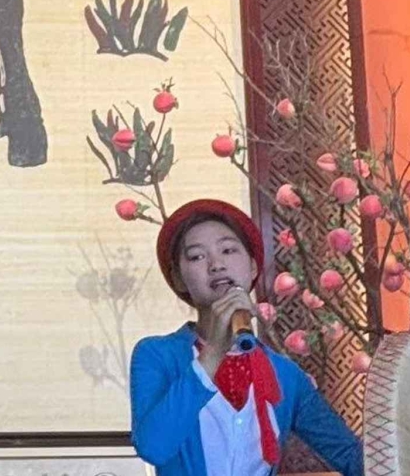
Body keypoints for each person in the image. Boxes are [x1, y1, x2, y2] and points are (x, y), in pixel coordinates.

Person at [130, 200, 362, 476]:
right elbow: (154, 447)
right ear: (178, 278)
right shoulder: (156, 355)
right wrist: (213, 352)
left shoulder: (286, 375)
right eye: (197, 256)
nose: (216, 264)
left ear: (252, 267)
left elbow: (349, 455)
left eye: (228, 250)